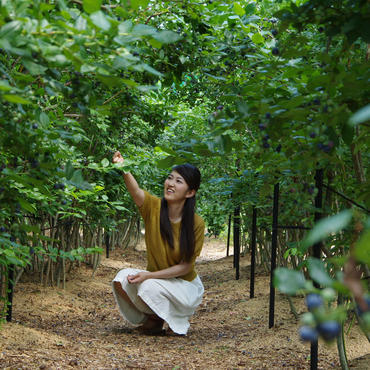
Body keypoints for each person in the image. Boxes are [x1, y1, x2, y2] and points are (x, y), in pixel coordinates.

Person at [111, 151, 205, 336]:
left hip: (185, 287)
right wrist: (122, 167)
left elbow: (185, 267)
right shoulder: (153, 207)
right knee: (121, 279)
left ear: (190, 192)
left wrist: (149, 275)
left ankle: (176, 319)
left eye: (179, 181)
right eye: (170, 178)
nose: (171, 184)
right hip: (158, 281)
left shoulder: (196, 223)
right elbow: (135, 191)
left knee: (148, 286)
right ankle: (154, 319)